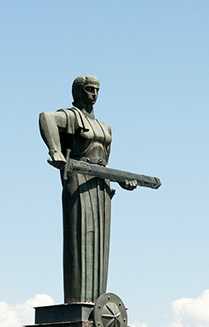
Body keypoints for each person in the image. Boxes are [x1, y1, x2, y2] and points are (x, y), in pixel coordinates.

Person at [39, 75, 135, 304]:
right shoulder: (72, 117)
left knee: (101, 243)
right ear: (78, 92)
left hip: (102, 186)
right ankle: (77, 302)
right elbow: (46, 118)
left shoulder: (105, 126)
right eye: (90, 89)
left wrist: (121, 179)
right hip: (79, 181)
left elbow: (104, 161)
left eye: (97, 90)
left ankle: (97, 302)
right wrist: (55, 151)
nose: (94, 94)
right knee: (79, 240)